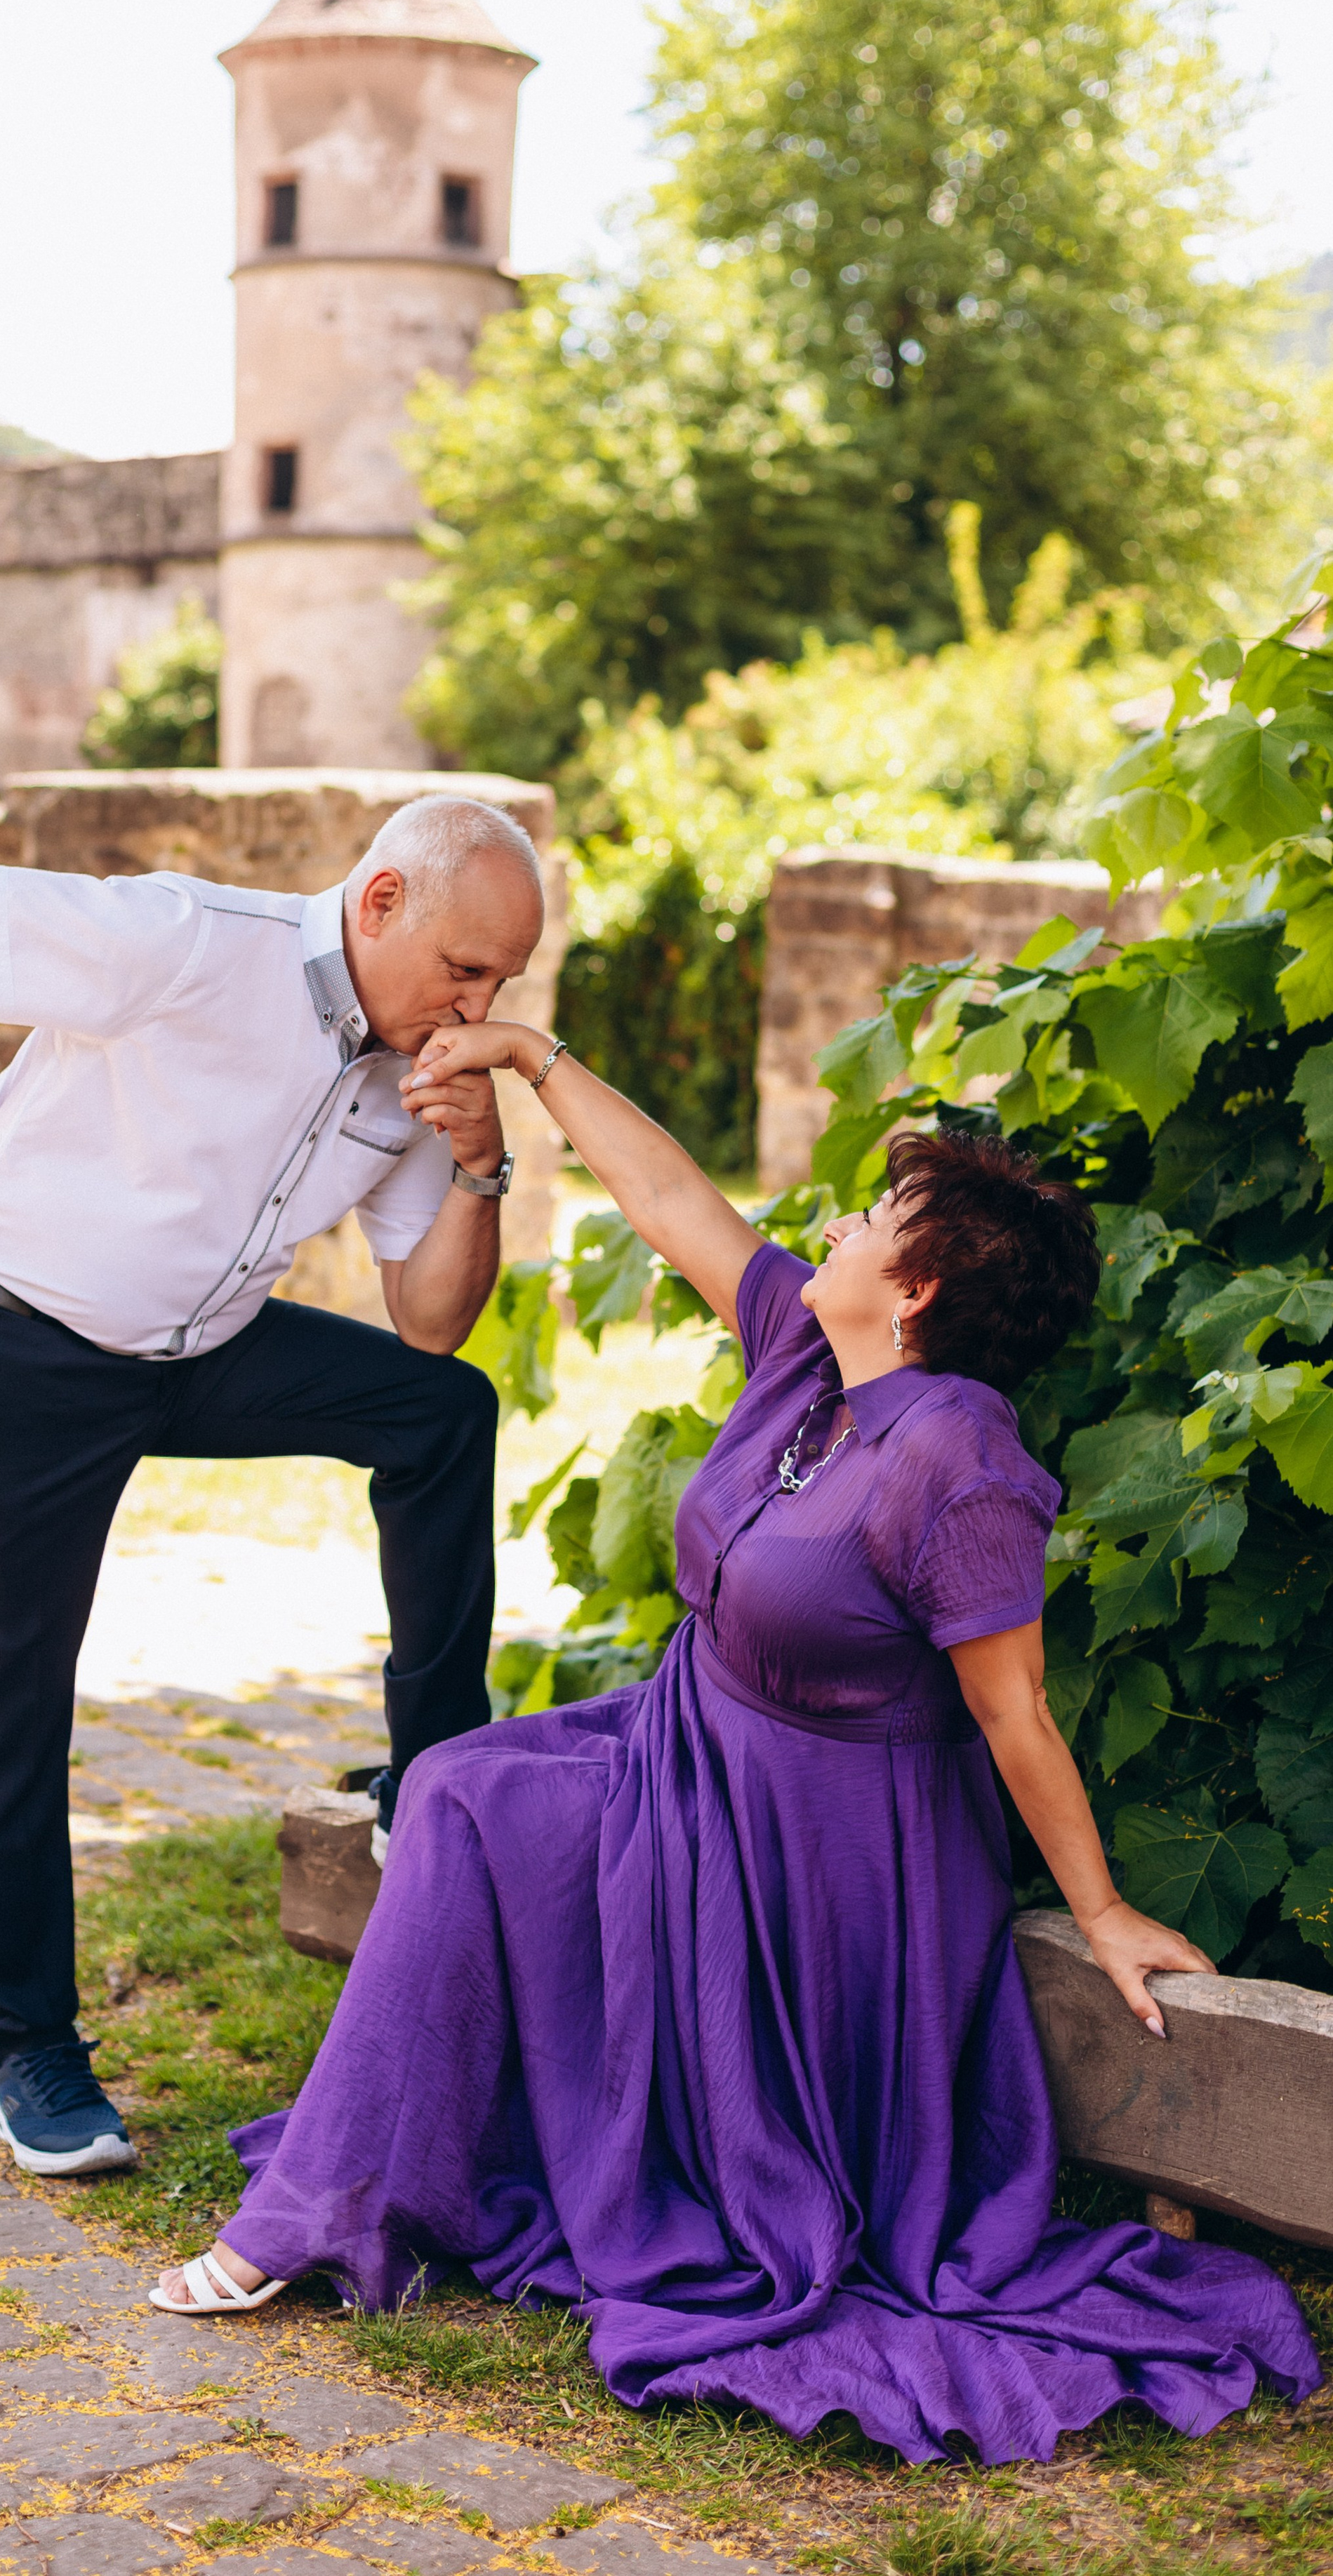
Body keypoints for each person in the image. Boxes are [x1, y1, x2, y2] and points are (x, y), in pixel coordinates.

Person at [152, 1019, 1321, 2464]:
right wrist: (535, 1056)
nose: (829, 1222)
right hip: (680, 1746)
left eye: (870, 1217)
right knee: (452, 1784)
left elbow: (1008, 1712)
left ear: (921, 1281)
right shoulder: (807, 1360)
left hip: (819, 1854)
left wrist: (1098, 1907)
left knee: (455, 1801)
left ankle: (316, 2210)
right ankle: (364, 2178)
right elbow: (668, 1202)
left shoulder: (958, 1459)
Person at [0, 797, 545, 2176]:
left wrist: (478, 1160)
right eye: (464, 970)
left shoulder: (419, 1075)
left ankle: (429, 1772)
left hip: (189, 1346)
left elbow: (429, 1322)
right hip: (1, 1333)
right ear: (377, 905)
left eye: (501, 984)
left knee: (438, 1411)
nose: (477, 1005)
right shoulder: (196, 943)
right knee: (10, 1686)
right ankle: (34, 2053)